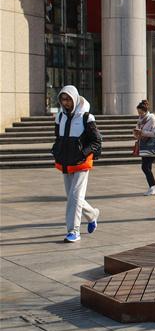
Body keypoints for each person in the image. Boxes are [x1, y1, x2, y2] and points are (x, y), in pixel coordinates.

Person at [52, 85, 102, 242]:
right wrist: (56, 151)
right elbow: (58, 138)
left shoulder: (86, 117)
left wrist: (83, 153)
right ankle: (92, 214)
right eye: (62, 99)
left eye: (68, 99)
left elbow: (96, 140)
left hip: (81, 163)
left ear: (74, 99)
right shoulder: (60, 117)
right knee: (72, 197)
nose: (65, 103)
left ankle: (74, 231)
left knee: (75, 196)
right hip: (66, 162)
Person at [133, 100, 155, 196]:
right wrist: (136, 133)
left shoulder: (152, 118)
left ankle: (153, 185)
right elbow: (138, 131)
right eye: (138, 112)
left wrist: (143, 132)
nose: (139, 114)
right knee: (147, 167)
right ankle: (152, 186)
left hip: (151, 145)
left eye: (141, 112)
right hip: (143, 145)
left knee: (145, 167)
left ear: (145, 111)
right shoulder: (140, 119)